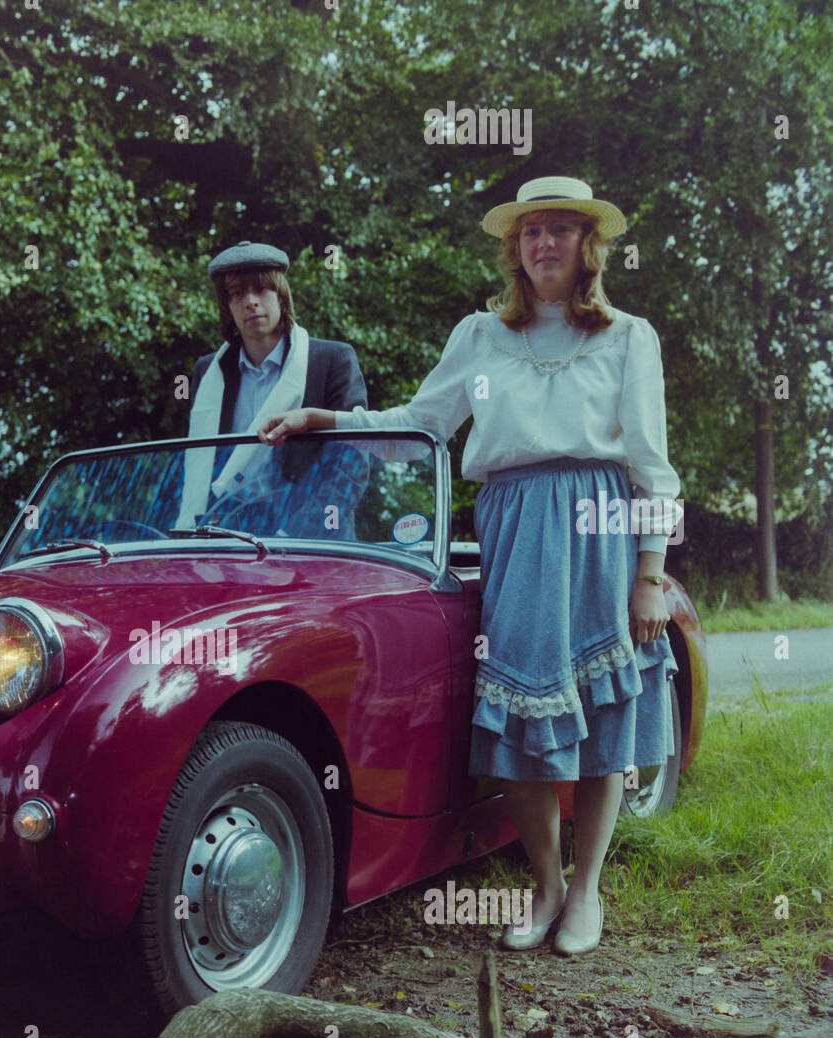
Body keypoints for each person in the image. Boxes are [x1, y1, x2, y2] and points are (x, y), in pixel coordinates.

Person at [261, 176, 682, 956]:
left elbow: (653, 466)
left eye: (560, 230)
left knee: (600, 714)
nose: (544, 243)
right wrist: (324, 418)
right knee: (520, 715)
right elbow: (421, 423)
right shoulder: (481, 337)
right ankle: (546, 885)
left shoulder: (629, 336)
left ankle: (586, 890)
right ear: (515, 248)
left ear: (587, 246)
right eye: (531, 232)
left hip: (599, 522)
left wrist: (649, 573)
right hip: (516, 523)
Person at [175, 240, 367, 533]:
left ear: (281, 296)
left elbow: (351, 462)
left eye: (262, 289)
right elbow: (195, 461)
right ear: (227, 306)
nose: (251, 301)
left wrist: (299, 531)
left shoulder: (332, 360)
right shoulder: (208, 371)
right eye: (237, 293)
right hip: (230, 536)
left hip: (316, 539)